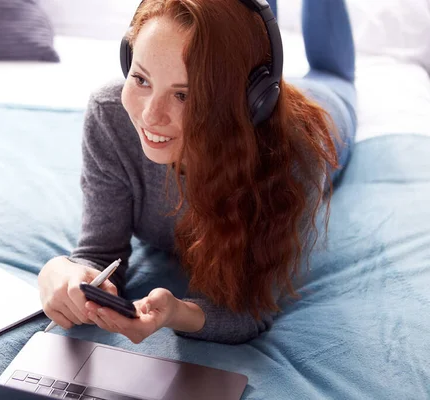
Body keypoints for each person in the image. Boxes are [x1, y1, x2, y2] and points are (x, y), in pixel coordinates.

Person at [38, 0, 357, 345]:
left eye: (184, 95)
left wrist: (179, 313)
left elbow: (252, 309)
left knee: (333, 75)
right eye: (142, 79)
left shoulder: (297, 155)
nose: (150, 116)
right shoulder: (111, 115)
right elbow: (99, 254)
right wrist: (61, 271)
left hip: (324, 106)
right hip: (238, 73)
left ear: (251, 100)